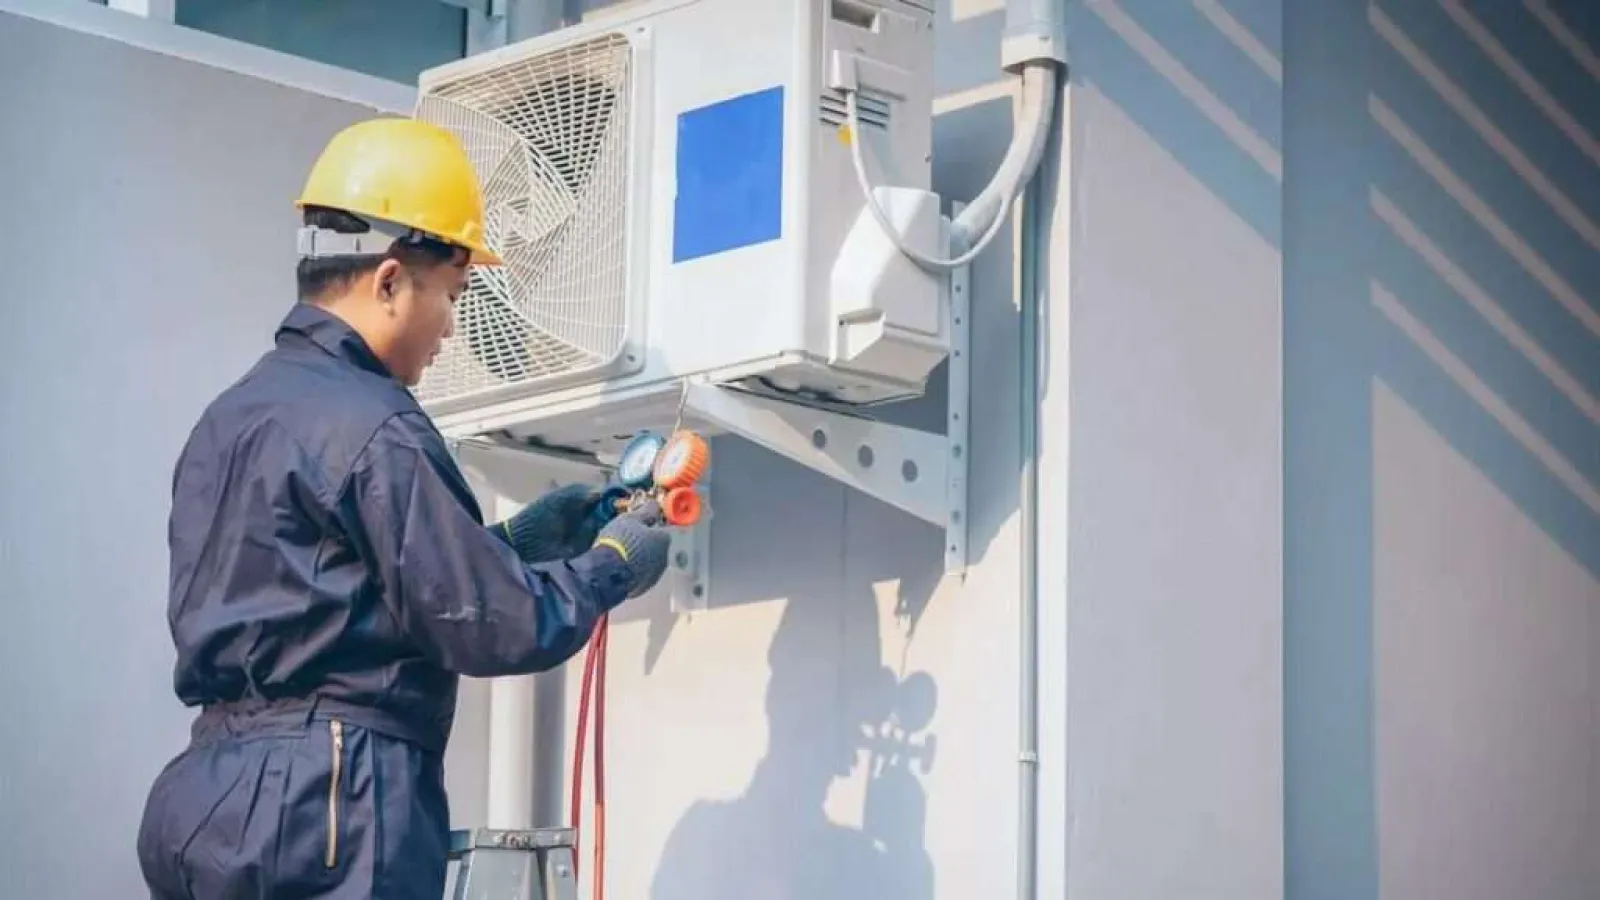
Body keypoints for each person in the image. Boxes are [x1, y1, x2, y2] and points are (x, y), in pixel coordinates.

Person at [134, 117, 671, 900]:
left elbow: (327, 595)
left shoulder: (232, 417)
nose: (453, 327)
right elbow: (492, 624)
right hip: (328, 801)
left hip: (206, 800)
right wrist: (612, 565)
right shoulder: (376, 424)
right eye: (451, 294)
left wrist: (512, 543)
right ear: (388, 281)